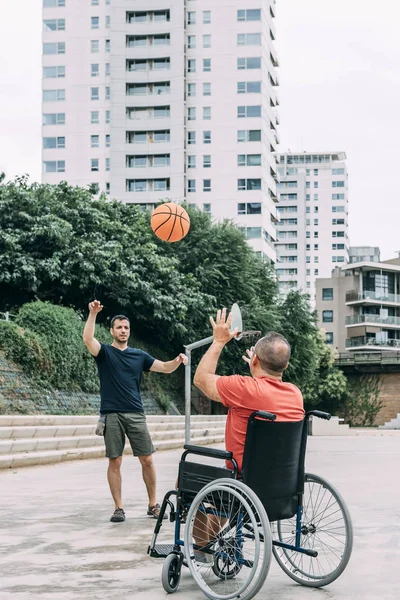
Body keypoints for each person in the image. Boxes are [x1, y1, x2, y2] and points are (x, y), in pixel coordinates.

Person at [191, 307, 304, 561]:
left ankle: (202, 550)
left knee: (185, 482)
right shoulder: (295, 394)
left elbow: (201, 379)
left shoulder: (244, 389)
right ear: (285, 365)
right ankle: (213, 538)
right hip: (283, 486)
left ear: (255, 361)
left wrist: (219, 341)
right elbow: (264, 389)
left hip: (242, 482)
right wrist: (257, 369)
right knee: (221, 492)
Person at [83, 299, 188, 523]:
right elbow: (87, 339)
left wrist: (177, 360)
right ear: (111, 331)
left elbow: (165, 367)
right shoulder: (104, 353)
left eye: (126, 327)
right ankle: (118, 508)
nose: (123, 330)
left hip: (135, 413)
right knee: (115, 461)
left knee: (147, 460)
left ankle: (152, 505)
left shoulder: (139, 356)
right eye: (119, 327)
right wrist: (93, 314)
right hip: (111, 413)